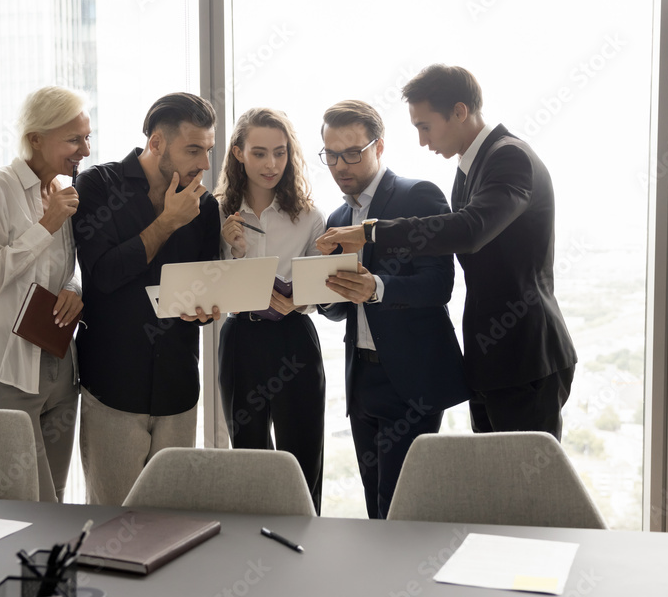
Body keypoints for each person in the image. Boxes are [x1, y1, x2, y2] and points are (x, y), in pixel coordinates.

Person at [317, 65, 577, 440]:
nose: (423, 141)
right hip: (490, 358)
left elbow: (469, 230)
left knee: (526, 494)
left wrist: (371, 232)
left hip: (526, 354)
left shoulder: (509, 157)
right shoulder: (469, 169)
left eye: (425, 126)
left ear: (459, 111)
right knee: (493, 490)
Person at [316, 100, 468, 519]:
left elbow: (439, 285)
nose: (340, 165)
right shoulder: (337, 216)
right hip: (361, 379)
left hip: (411, 379)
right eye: (331, 155)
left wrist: (377, 287)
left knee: (402, 513)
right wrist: (323, 295)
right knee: (373, 510)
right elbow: (339, 308)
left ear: (379, 147)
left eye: (352, 153)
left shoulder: (418, 195)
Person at [72, 92, 220, 506]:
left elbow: (202, 288)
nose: (204, 164)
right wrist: (169, 221)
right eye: (193, 150)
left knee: (173, 523)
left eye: (208, 150)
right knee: (110, 522)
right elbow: (102, 276)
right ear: (156, 143)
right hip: (113, 388)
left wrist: (207, 310)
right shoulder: (97, 186)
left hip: (178, 389)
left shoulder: (205, 207)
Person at [0, 86, 88, 503]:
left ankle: (54, 571)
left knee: (56, 499)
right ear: (36, 138)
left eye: (86, 137)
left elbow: (63, 269)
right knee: (18, 501)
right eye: (74, 139)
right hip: (5, 370)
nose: (84, 149)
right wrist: (45, 226)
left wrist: (73, 288)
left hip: (59, 368)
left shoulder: (65, 192)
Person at [216, 107, 327, 514]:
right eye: (260, 153)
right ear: (239, 153)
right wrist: (235, 251)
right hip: (241, 338)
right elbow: (204, 287)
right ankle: (253, 548)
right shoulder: (216, 214)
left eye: (280, 153)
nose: (271, 164)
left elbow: (324, 283)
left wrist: (302, 299)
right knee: (249, 455)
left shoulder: (311, 217)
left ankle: (307, 543)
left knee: (303, 454)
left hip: (294, 338)